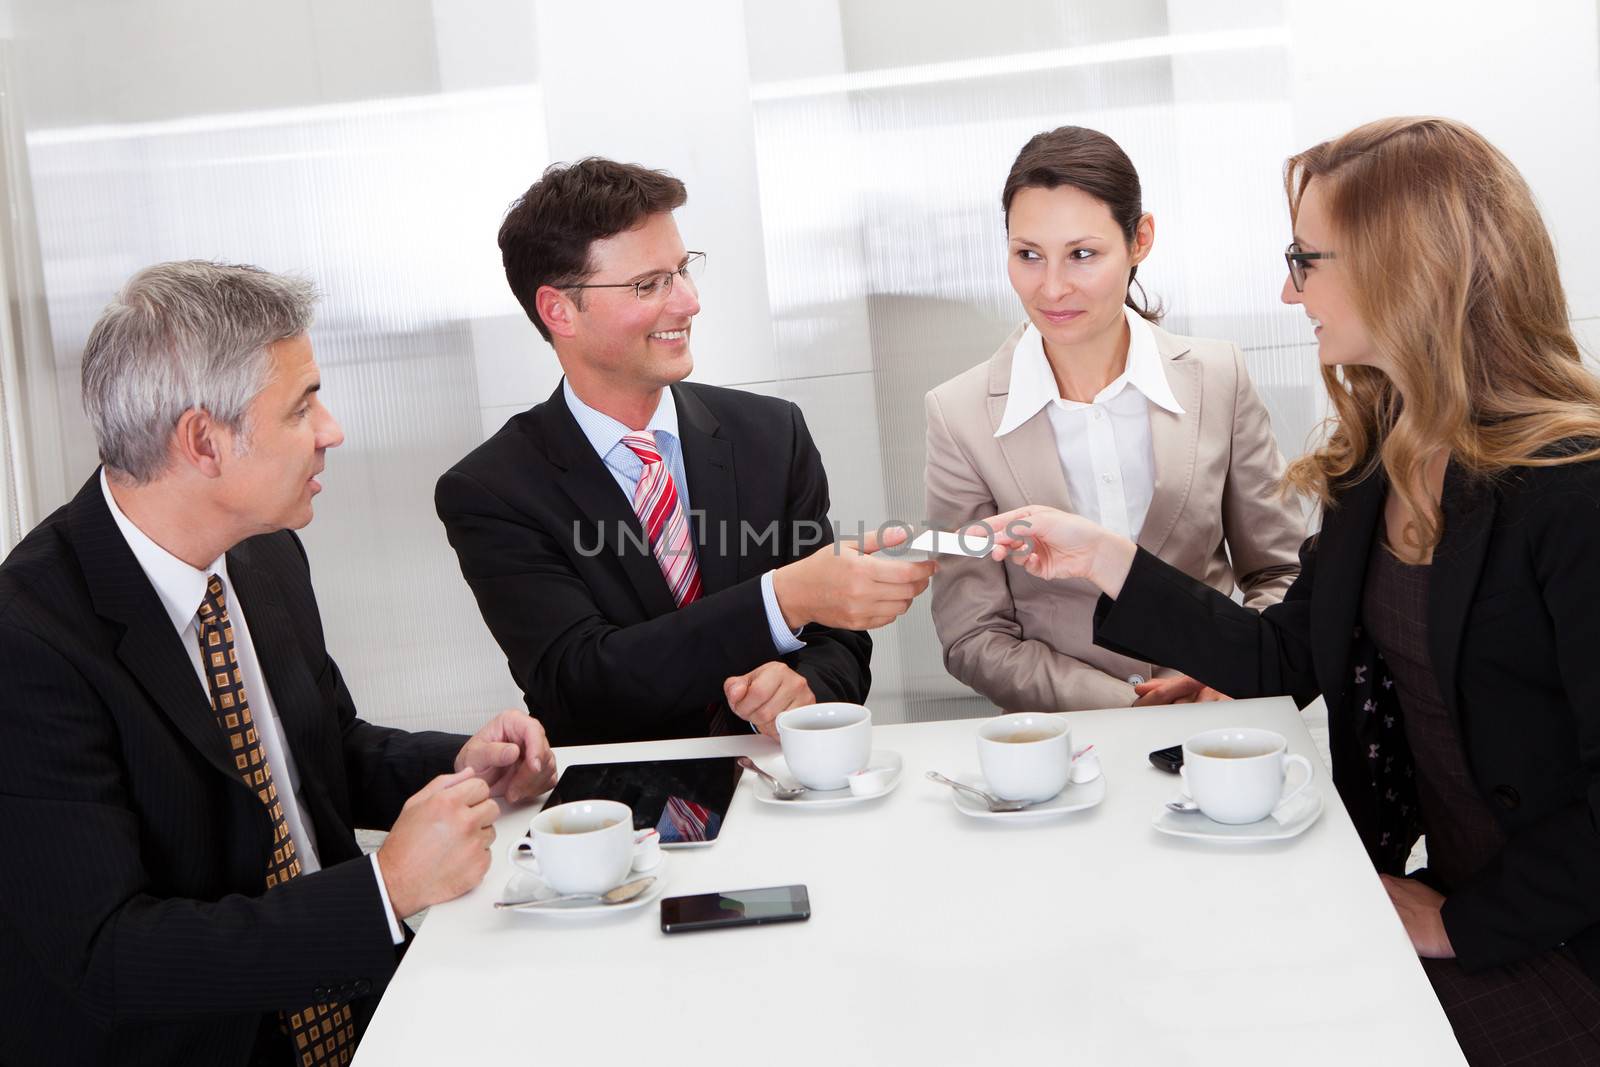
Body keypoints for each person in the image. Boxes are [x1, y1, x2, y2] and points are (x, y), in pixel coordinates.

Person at [979, 118, 1600, 1063]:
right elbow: (1283, 655)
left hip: (1559, 940)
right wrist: (1106, 556)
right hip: (1461, 901)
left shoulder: (1575, 484)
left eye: (1307, 259)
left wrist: (1461, 926)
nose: (1287, 288)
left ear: (1411, 266)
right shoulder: (1379, 459)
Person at [0, 261, 558, 1067]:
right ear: (203, 441)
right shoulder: (28, 641)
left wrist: (461, 764)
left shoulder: (264, 555)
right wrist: (386, 890)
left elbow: (322, 749)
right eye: (303, 405)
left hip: (362, 1011)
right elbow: (110, 956)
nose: (331, 429)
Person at [437, 158, 933, 746]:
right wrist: (782, 598)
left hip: (779, 788)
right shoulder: (493, 490)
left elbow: (835, 635)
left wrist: (805, 690)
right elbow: (579, 681)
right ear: (558, 310)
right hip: (619, 813)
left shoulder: (771, 434)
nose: (688, 303)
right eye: (650, 285)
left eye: (682, 271)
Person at [924, 126, 1303, 713]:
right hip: (1069, 747)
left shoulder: (1217, 377)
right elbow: (973, 634)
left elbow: (1280, 570)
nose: (1052, 287)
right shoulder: (959, 415)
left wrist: (1228, 672)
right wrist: (1129, 704)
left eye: (1083, 254)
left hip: (1222, 727)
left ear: (1140, 239)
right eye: (1028, 255)